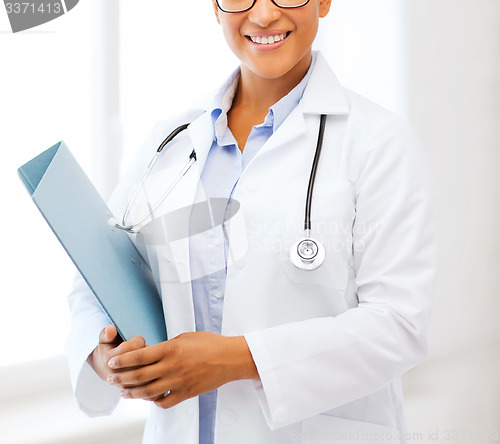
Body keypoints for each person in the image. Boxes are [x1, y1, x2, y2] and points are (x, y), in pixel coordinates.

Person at [65, 0, 436, 443]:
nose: (263, 16)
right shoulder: (171, 139)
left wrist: (237, 359)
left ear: (323, 2)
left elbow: (399, 324)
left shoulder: (379, 142)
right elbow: (97, 279)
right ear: (215, 8)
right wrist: (103, 354)